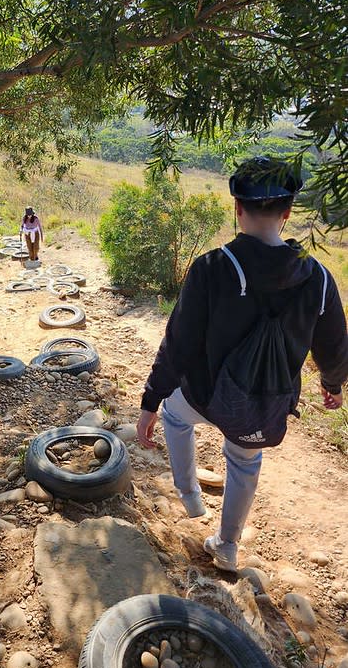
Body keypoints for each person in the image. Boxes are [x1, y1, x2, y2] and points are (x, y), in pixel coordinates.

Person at [137, 157, 348, 572]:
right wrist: (333, 384)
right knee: (245, 462)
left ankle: (191, 496)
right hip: (264, 406)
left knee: (175, 417)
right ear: (287, 213)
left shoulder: (213, 268)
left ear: (237, 209)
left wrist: (151, 400)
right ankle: (228, 546)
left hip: (206, 394)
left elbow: (178, 342)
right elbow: (335, 345)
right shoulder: (318, 277)